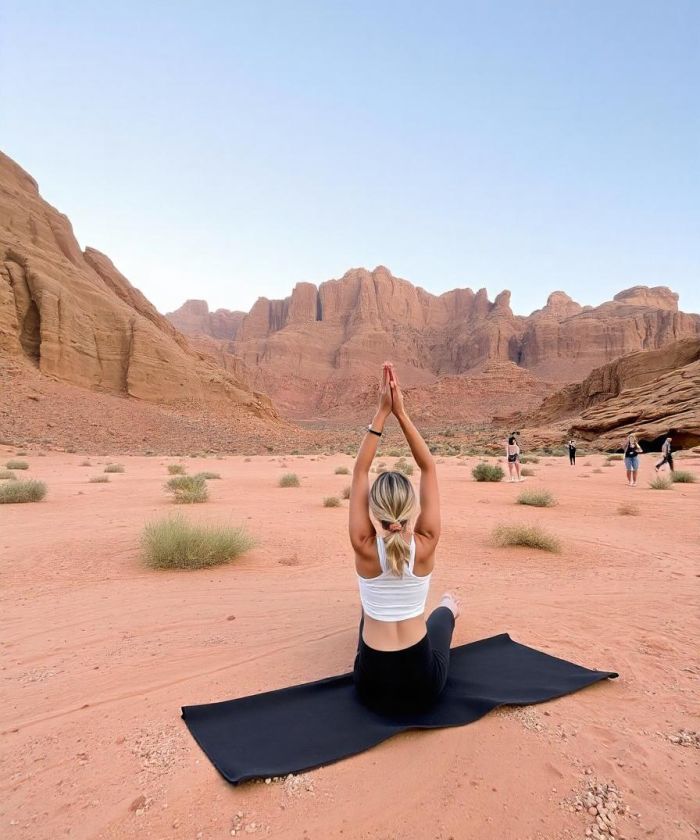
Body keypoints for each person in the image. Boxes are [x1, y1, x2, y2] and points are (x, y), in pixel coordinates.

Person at [350, 363, 460, 715]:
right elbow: (429, 467)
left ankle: (441, 608)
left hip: (370, 690)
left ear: (375, 508)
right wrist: (402, 413)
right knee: (443, 615)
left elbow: (360, 471)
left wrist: (381, 412)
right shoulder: (426, 542)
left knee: (366, 615)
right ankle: (451, 605)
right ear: (411, 507)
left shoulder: (363, 546)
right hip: (422, 688)